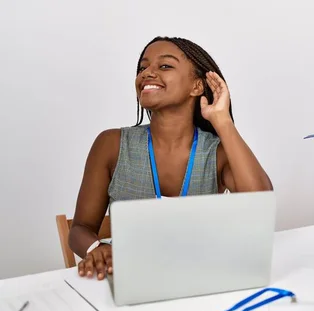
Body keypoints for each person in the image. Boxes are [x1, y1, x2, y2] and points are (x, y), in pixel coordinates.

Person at [69, 36, 273, 280]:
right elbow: (79, 229)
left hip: (197, 278)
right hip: (129, 277)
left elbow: (260, 206)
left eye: (164, 66)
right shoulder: (111, 145)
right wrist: (97, 249)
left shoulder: (216, 152)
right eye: (143, 67)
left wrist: (222, 121)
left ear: (197, 87)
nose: (147, 73)